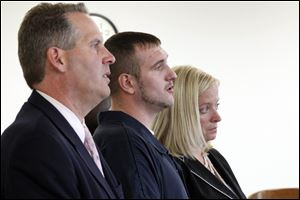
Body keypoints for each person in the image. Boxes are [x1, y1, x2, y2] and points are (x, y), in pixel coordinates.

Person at [1, 3, 123, 199]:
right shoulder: (35, 143)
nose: (110, 57)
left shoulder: (73, 135)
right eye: (95, 45)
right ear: (58, 59)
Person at [93, 31, 189, 199]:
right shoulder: (125, 142)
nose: (172, 74)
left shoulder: (134, 138)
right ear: (128, 83)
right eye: (159, 66)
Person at [152, 65, 246, 199]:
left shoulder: (213, 156)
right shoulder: (172, 169)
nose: (217, 118)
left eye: (216, 106)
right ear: (181, 115)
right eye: (204, 109)